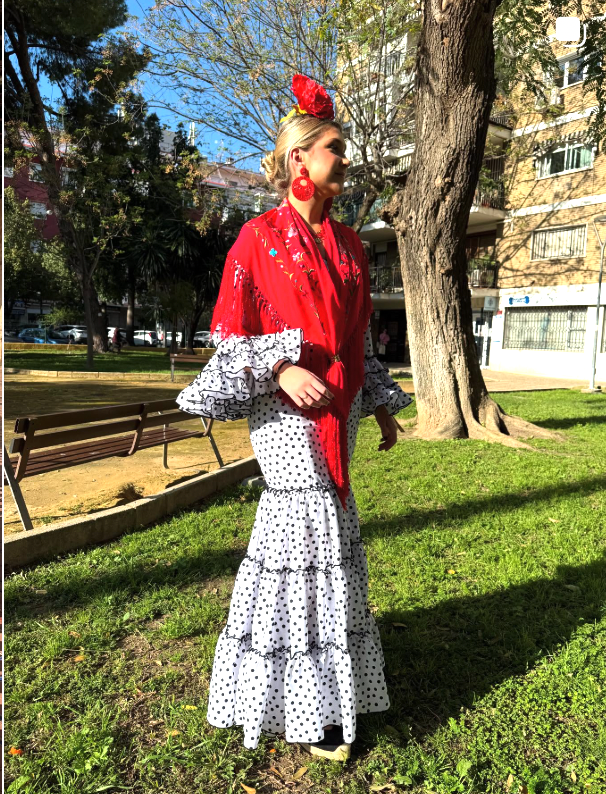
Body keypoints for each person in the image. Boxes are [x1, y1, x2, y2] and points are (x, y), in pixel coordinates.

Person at [177, 74, 413, 760]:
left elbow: (358, 339)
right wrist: (281, 368)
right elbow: (229, 335)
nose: (346, 158)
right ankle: (308, 710)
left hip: (339, 410)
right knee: (299, 541)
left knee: (332, 542)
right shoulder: (257, 238)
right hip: (284, 413)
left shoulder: (352, 246)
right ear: (299, 158)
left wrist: (380, 406)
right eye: (335, 147)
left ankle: (326, 693)